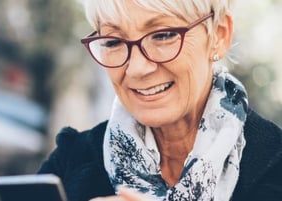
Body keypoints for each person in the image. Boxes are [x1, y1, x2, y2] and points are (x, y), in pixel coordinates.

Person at [38, 0, 282, 200]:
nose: (136, 68)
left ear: (219, 35)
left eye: (163, 35)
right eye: (113, 41)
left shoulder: (274, 165)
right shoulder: (70, 163)